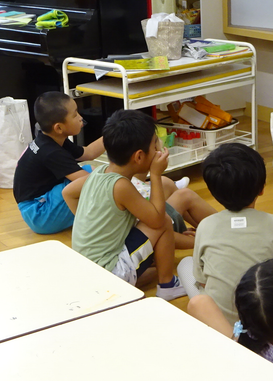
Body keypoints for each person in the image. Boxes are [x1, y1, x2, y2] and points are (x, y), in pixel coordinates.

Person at [62, 110, 185, 301]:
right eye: (155, 145)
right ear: (138, 157)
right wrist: (156, 175)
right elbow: (158, 219)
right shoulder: (121, 186)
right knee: (163, 223)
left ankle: (146, 278)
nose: (159, 150)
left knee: (154, 251)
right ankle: (167, 285)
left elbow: (68, 192)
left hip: (87, 270)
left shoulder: (99, 172)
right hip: (109, 273)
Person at [176, 143, 273, 324]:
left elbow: (200, 278)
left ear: (212, 192)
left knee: (185, 264)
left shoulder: (206, 226)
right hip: (268, 319)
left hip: (220, 322)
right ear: (262, 188)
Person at [13, 92, 104, 234]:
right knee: (94, 179)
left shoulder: (52, 139)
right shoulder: (51, 152)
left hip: (37, 206)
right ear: (59, 127)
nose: (81, 118)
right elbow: (89, 181)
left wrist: (113, 134)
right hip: (39, 214)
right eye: (75, 115)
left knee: (91, 171)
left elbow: (89, 152)